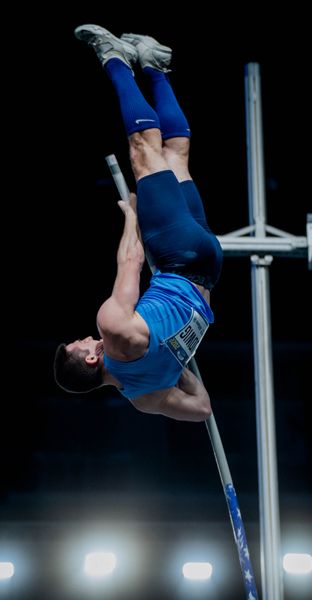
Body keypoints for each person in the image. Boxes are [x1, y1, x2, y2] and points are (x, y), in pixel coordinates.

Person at [53, 25, 223, 422]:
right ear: (93, 358)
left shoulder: (143, 397)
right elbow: (131, 261)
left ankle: (155, 64)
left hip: (209, 268)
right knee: (144, 151)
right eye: (77, 346)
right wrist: (132, 216)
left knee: (175, 158)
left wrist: (178, 358)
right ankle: (113, 58)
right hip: (175, 252)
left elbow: (201, 410)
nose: (81, 338)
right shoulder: (112, 328)